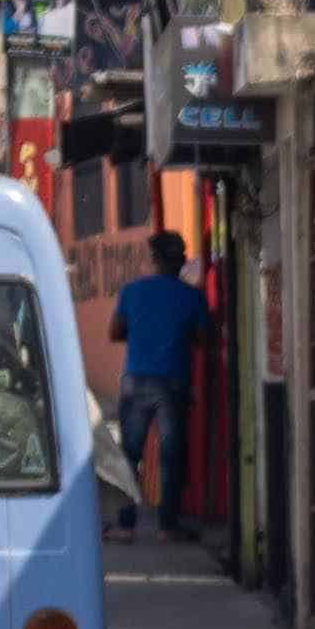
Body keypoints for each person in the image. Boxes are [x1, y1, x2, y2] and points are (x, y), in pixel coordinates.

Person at [106, 227, 208, 538]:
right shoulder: (192, 297)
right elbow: (204, 338)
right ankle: (167, 525)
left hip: (136, 380)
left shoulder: (133, 291)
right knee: (171, 454)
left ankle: (125, 525)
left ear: (154, 259)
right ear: (180, 261)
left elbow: (115, 332)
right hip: (172, 382)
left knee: (130, 454)